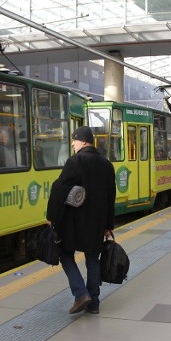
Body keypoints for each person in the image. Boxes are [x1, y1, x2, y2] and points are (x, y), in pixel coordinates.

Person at [46, 126, 116, 315]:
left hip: (74, 223)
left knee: (65, 255)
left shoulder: (75, 162)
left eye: (75, 141)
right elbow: (111, 197)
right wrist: (109, 225)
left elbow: (59, 190)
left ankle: (80, 293)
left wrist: (51, 217)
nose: (73, 145)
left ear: (83, 141)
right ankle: (93, 303)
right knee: (93, 258)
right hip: (97, 223)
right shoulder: (106, 165)